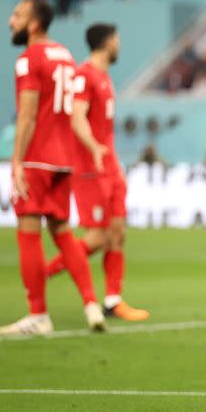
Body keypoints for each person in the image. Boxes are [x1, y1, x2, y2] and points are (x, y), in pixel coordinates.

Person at [0, 0, 106, 335]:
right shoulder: (65, 54)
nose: (10, 21)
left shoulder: (28, 59)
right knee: (62, 233)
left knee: (29, 232)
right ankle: (91, 305)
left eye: (16, 15)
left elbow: (28, 114)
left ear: (34, 23)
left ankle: (38, 314)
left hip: (36, 157)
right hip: (64, 160)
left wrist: (16, 160)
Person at [43, 23, 149, 322]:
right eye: (116, 40)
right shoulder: (84, 75)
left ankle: (113, 301)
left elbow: (103, 130)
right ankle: (43, 273)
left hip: (109, 168)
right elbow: (77, 118)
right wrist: (94, 149)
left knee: (118, 233)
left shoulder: (104, 77)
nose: (119, 45)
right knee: (98, 237)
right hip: (90, 169)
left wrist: (116, 166)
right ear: (106, 43)